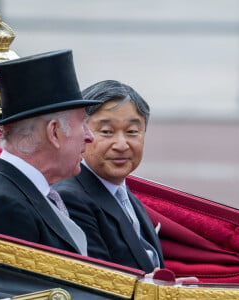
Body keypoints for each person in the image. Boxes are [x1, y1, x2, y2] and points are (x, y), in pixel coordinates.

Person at [0, 50, 102, 256]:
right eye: (82, 123)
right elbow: (16, 288)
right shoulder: (7, 206)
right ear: (54, 132)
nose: (89, 136)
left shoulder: (18, 189)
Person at [54, 80, 164, 273]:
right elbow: (100, 284)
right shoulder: (70, 198)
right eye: (107, 132)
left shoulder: (120, 190)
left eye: (132, 132)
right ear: (80, 133)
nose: (121, 144)